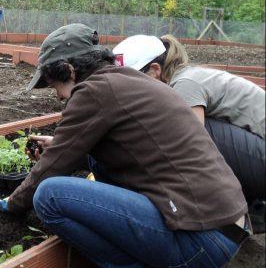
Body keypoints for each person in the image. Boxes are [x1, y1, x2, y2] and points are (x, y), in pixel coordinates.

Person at [0, 23, 251, 267]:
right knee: (96, 167)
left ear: (69, 70)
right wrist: (64, 148)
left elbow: (50, 168)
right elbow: (131, 150)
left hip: (199, 240)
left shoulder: (92, 91)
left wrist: (13, 204)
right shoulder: (127, 80)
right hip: (226, 227)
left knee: (48, 195)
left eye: (56, 86)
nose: (57, 96)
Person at [113, 34, 265, 233]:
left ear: (154, 70)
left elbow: (192, 152)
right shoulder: (188, 76)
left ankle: (229, 221)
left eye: (131, 80)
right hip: (258, 154)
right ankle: (255, 208)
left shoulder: (185, 84)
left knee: (190, 135)